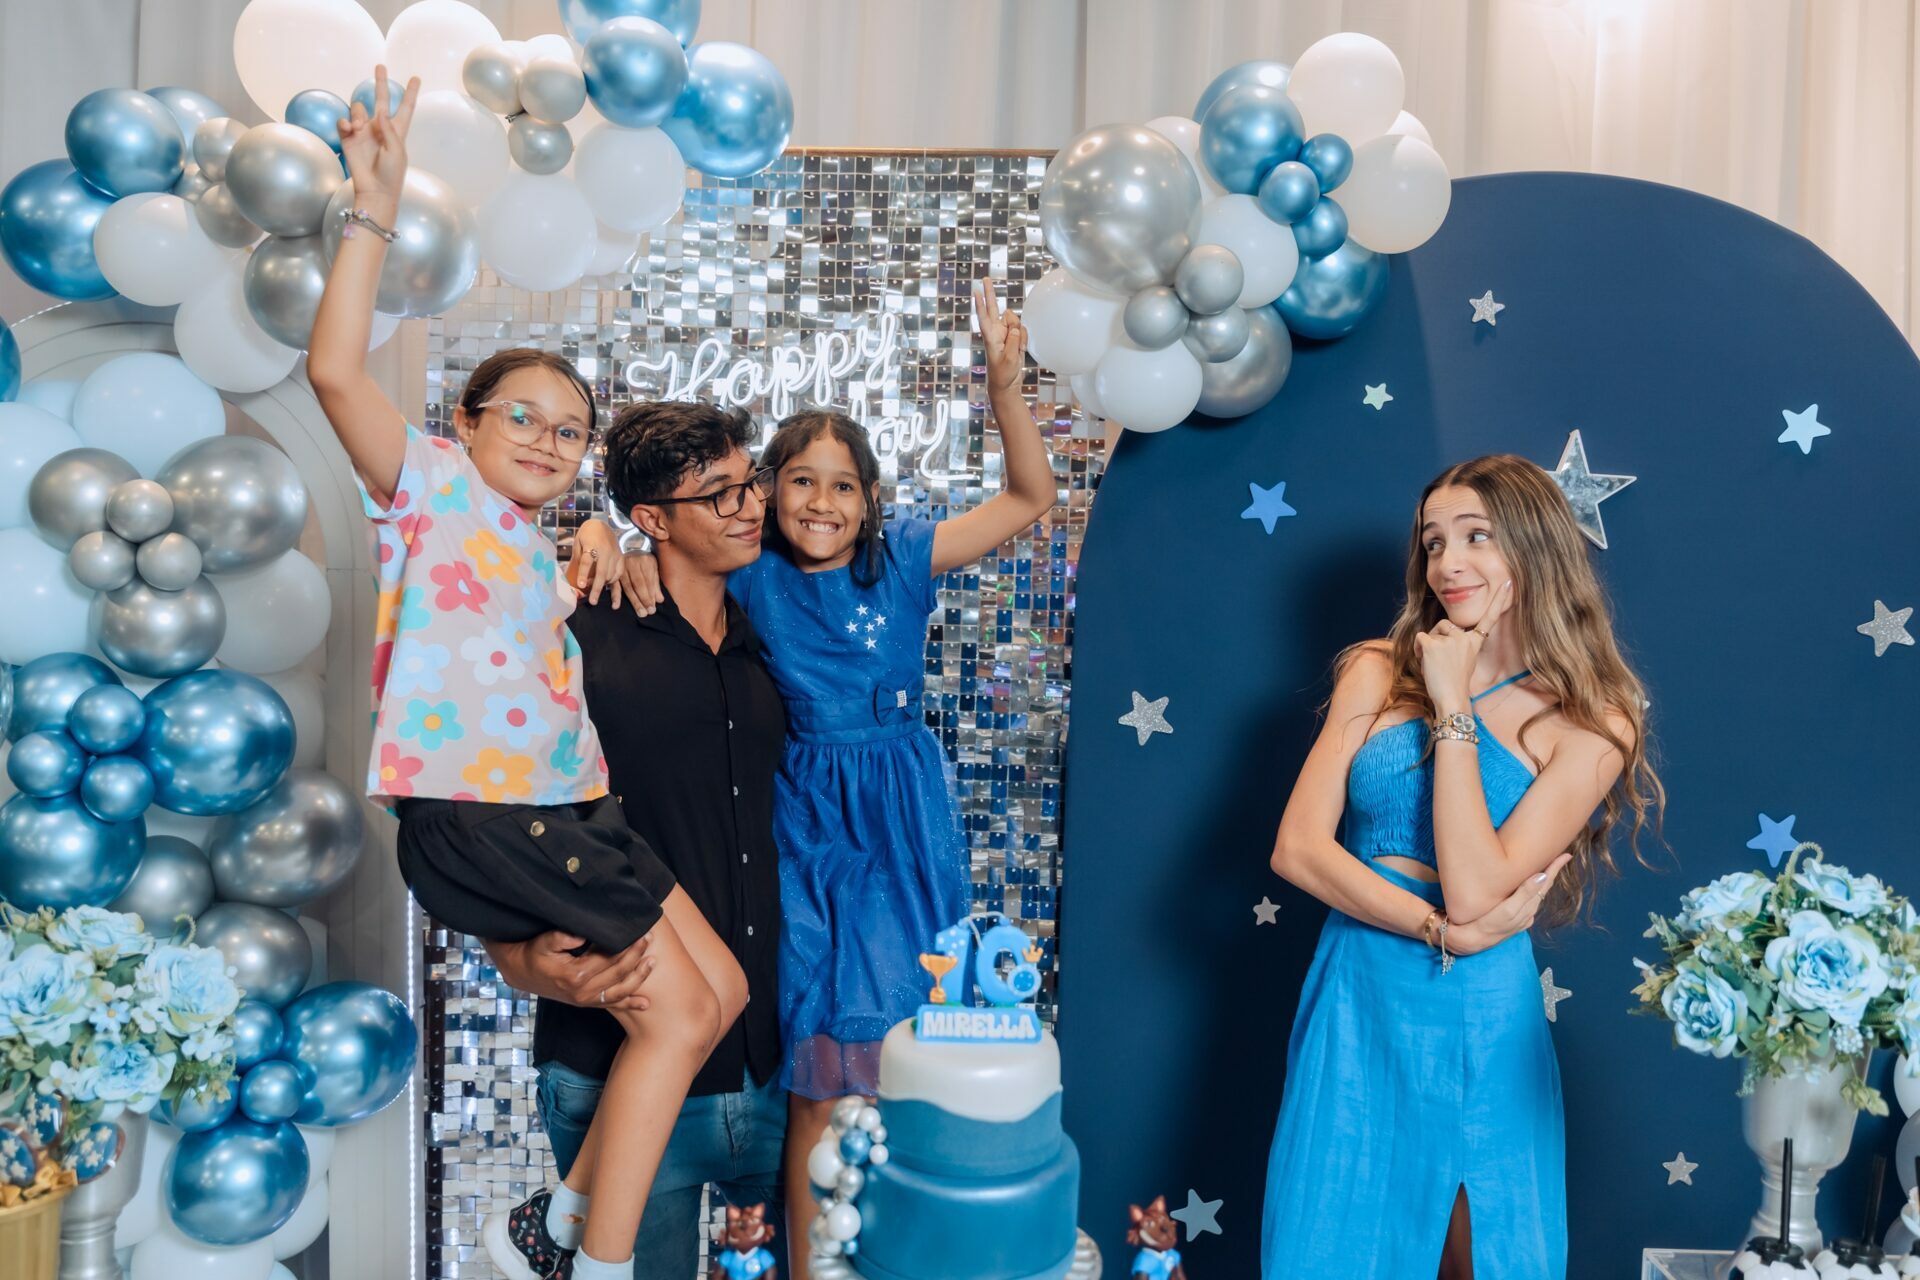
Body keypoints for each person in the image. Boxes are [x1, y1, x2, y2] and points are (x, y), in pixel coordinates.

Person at [307, 68, 746, 1280]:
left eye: (570, 430)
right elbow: (336, 371)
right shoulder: (431, 487)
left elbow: (595, 562)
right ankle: (594, 1263)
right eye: (524, 417)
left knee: (718, 990)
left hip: (573, 805)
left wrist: (603, 534)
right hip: (487, 807)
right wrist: (374, 206)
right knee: (671, 1013)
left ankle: (554, 1222)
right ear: (466, 420)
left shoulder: (551, 552)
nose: (549, 439)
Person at [579, 281, 1051, 1273]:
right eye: (800, 480)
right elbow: (659, 541)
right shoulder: (750, 569)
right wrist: (606, 536)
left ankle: (880, 1251)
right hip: (801, 816)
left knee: (890, 1053)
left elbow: (1029, 499)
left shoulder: (903, 561)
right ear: (764, 491)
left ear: (871, 500)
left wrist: (1007, 390)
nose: (821, 503)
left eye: (843, 486)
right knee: (815, 1063)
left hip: (899, 818)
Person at [1260, 454, 1664, 1280]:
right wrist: (1437, 928)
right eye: (1434, 541)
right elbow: (1297, 847)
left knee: (1478, 1259)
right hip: (1359, 990)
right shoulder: (1376, 668)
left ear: (1534, 546)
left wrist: (1452, 704)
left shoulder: (1594, 721)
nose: (1448, 562)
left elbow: (1479, 886)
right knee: (1330, 1240)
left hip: (1480, 1012)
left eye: (1476, 536)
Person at [486, 400, 789, 1276]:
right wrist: (514, 955)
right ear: (653, 519)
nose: (749, 506)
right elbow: (498, 801)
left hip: (770, 1058)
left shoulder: (768, 637)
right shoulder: (577, 630)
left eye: (751, 483)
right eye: (719, 493)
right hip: (613, 1057)